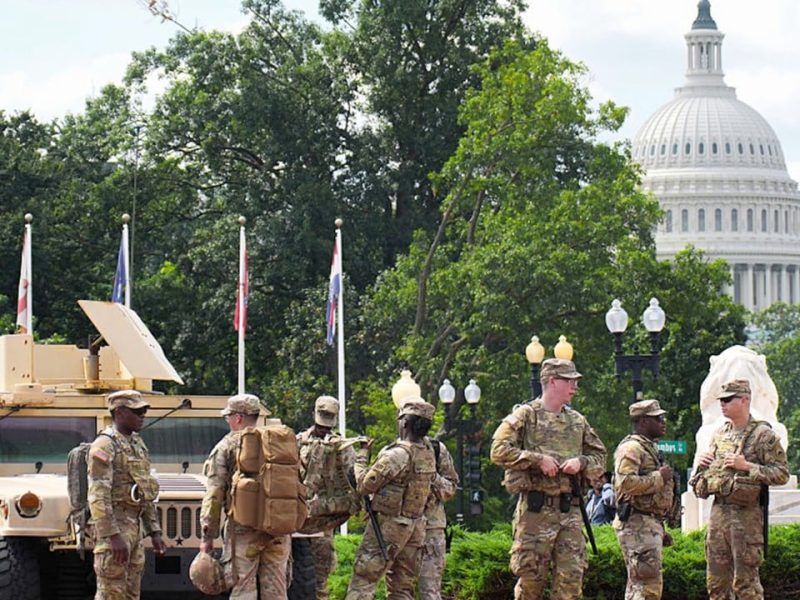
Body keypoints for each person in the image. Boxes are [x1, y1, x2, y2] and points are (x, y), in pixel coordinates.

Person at [490, 358, 607, 600]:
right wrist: (536, 460)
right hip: (536, 512)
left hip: (570, 511)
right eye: (569, 380)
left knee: (571, 584)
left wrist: (581, 463)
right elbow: (498, 450)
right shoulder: (526, 415)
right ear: (552, 381)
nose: (575, 386)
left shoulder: (577, 421)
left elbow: (601, 457)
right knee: (531, 581)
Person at [690, 379, 789, 600]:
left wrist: (747, 466)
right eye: (721, 401)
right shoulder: (719, 435)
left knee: (746, 586)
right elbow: (701, 480)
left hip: (746, 520)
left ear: (744, 400)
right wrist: (702, 465)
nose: (722, 405)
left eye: (728, 400)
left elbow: (782, 473)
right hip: (718, 518)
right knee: (716, 585)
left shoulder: (764, 435)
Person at [199, 393, 290, 600]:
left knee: (243, 587)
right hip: (278, 527)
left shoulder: (226, 446)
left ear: (238, 417)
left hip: (243, 528)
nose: (228, 420)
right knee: (276, 589)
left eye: (228, 416)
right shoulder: (276, 442)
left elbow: (214, 494)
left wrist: (208, 536)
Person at [345, 397, 437, 600]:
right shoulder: (428, 453)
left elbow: (363, 485)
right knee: (401, 587)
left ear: (405, 422)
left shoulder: (397, 455)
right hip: (415, 527)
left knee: (364, 579)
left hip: (390, 526)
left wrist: (361, 457)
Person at [87, 389, 167, 600]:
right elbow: (98, 494)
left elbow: (144, 489)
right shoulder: (105, 445)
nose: (142, 415)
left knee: (132, 593)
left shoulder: (137, 444)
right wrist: (112, 535)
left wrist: (154, 531)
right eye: (137, 411)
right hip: (114, 527)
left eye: (144, 411)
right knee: (111, 592)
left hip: (134, 527)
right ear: (120, 412)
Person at [296, 395, 358, 600]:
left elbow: (354, 476)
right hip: (295, 519)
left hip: (323, 519)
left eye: (328, 423)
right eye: (321, 422)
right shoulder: (299, 441)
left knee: (320, 577)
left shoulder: (342, 446)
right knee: (291, 575)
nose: (324, 428)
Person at [613, 399, 675, 600]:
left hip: (646, 523)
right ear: (643, 422)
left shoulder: (649, 448)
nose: (663, 422)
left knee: (640, 586)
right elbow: (626, 483)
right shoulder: (632, 448)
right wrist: (659, 477)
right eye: (658, 418)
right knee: (647, 587)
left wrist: (659, 528)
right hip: (637, 524)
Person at [418, 434, 459, 600]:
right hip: (400, 528)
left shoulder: (436, 449)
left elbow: (451, 488)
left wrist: (432, 476)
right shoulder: (392, 452)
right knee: (399, 589)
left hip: (431, 529)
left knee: (430, 590)